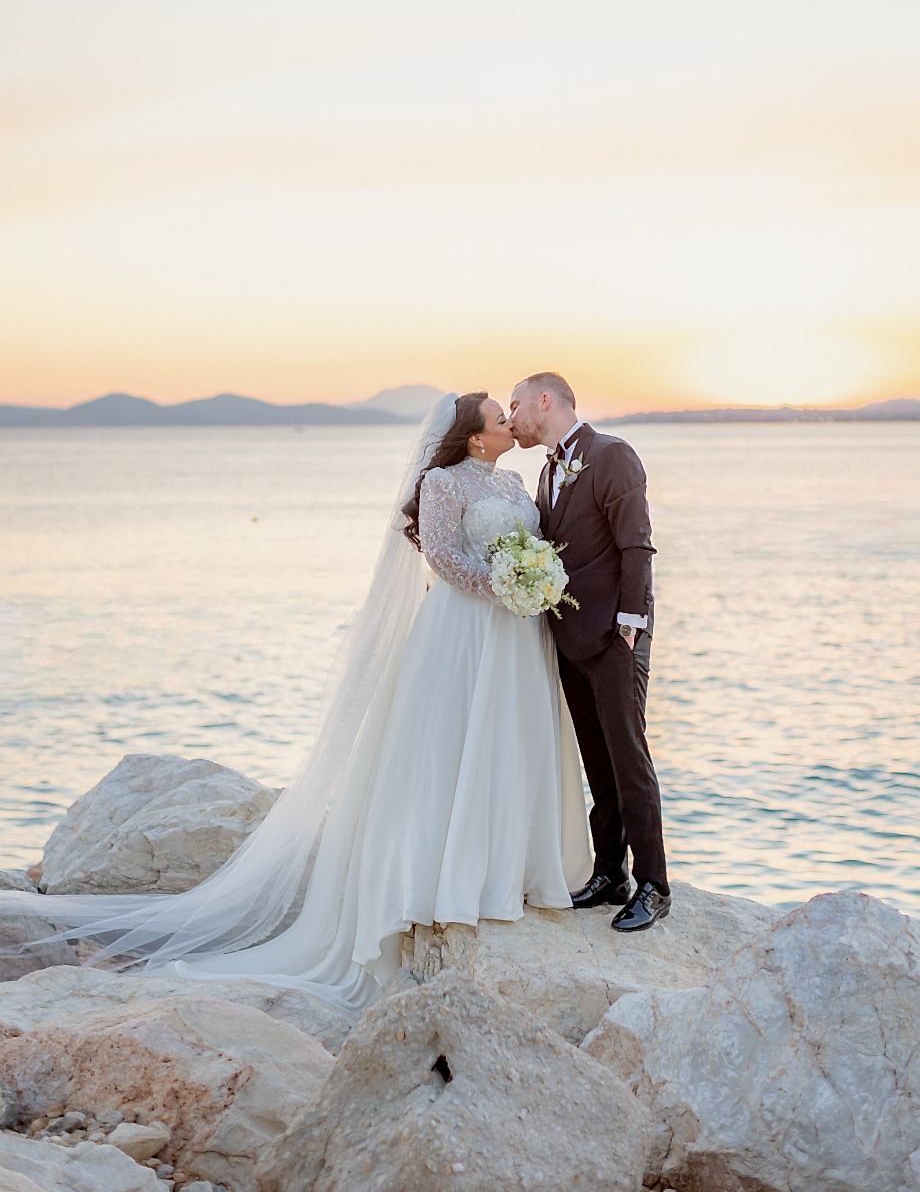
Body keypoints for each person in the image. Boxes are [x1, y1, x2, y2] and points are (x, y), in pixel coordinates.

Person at [0, 391, 592, 1011]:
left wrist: (533, 582)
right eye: (499, 417)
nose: (509, 422)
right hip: (464, 631)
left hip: (515, 637)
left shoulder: (517, 482)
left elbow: (534, 543)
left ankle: (511, 872)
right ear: (473, 436)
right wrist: (505, 585)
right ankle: (439, 887)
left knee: (506, 744)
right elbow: (442, 558)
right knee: (447, 752)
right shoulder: (444, 484)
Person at [509, 371, 670, 932]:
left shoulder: (611, 455)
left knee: (629, 759)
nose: (512, 417)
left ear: (545, 400)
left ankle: (654, 883)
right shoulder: (548, 469)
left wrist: (631, 625)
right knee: (596, 762)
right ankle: (611, 874)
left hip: (615, 638)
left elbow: (636, 544)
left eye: (517, 404)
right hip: (571, 639)